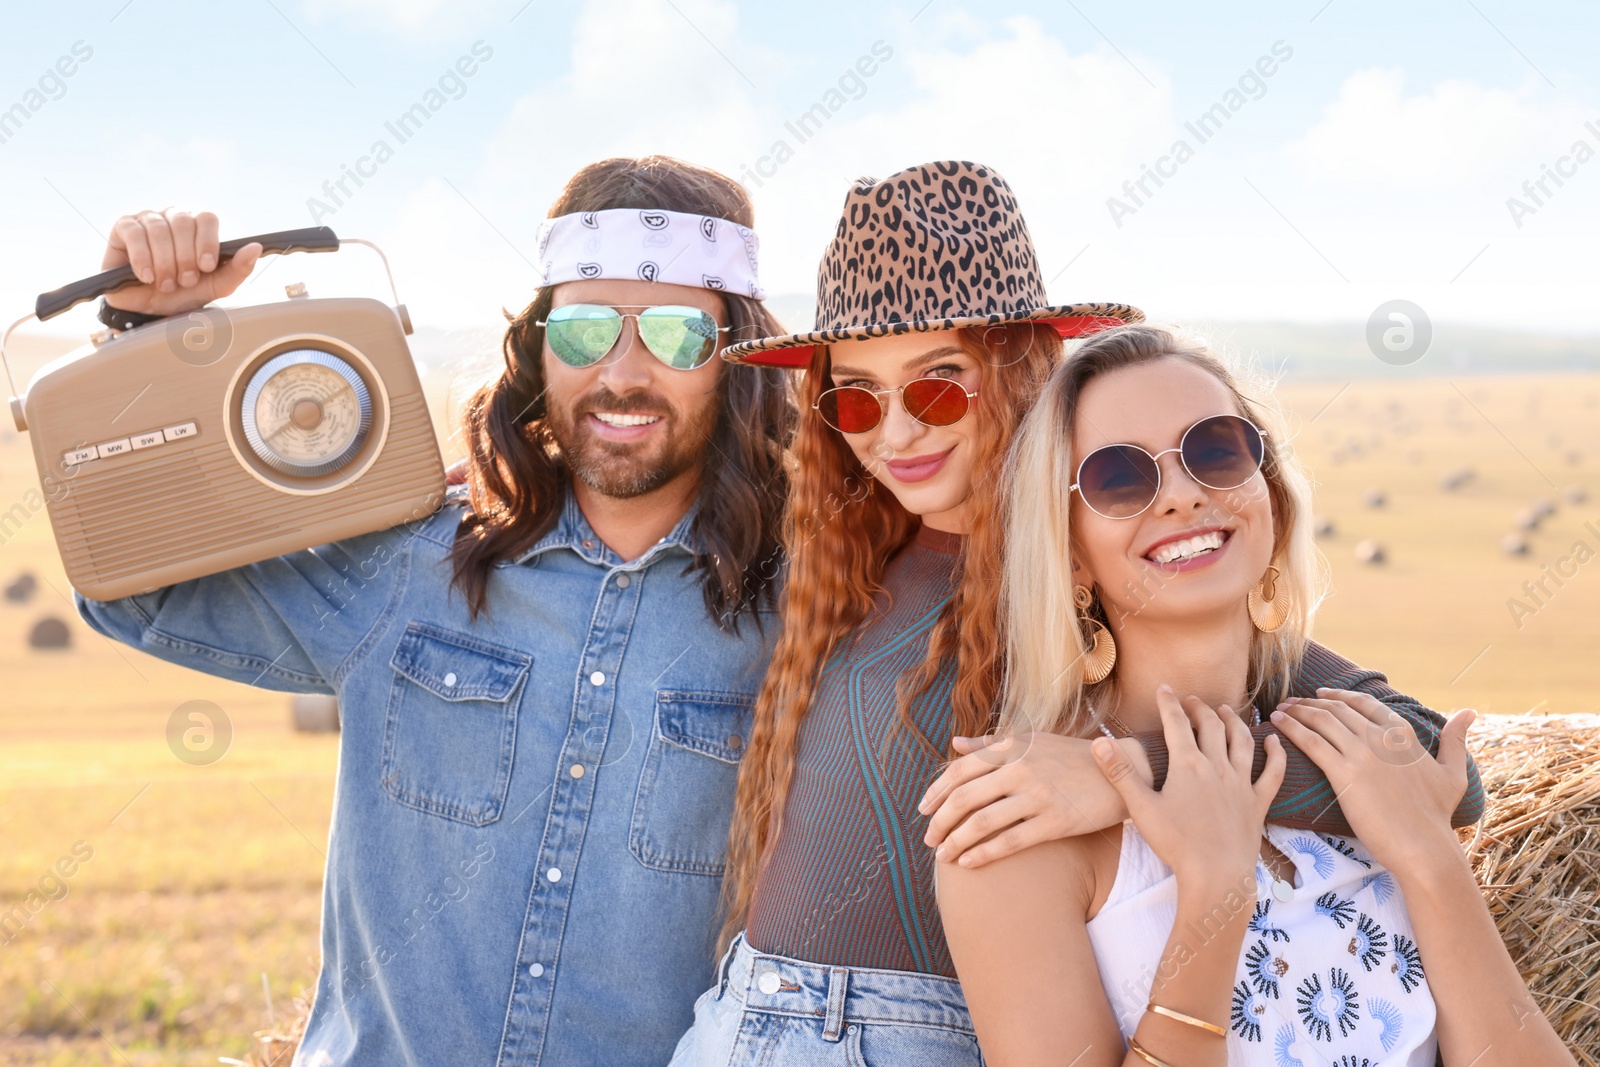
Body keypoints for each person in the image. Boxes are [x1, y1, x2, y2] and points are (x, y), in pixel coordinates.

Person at [667, 159, 1485, 1065]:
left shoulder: (1100, 562)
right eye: (855, 396)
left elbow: (1436, 762)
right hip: (740, 1020)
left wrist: (1121, 775)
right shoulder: (847, 551)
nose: (893, 434)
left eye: (938, 386)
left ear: (1021, 367)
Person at [73, 156, 794, 1066]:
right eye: (581, 330)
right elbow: (128, 585)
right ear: (537, 345)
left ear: (739, 358)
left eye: (678, 334)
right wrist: (145, 335)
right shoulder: (407, 561)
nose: (623, 372)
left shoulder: (804, 611)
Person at [938, 323, 1573, 1066]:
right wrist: (1214, 893)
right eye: (1120, 477)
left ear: (1268, 499)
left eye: (1215, 450)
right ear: (1071, 550)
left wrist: (1431, 856)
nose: (1180, 494)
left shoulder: (1359, 760)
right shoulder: (1017, 833)